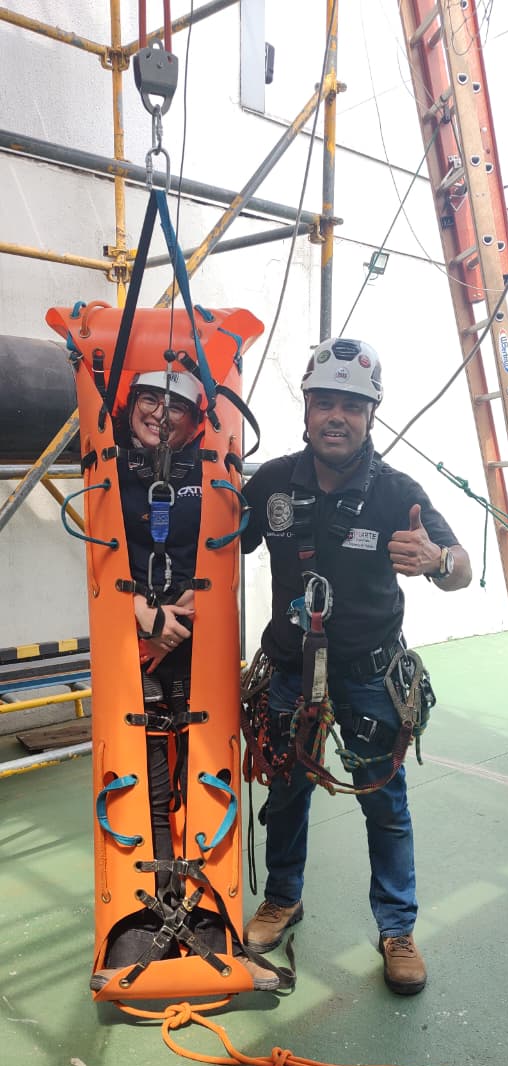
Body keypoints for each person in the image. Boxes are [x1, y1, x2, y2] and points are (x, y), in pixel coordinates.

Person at [241, 337, 472, 995]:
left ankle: (397, 929)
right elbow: (224, 540)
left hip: (370, 675)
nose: (335, 416)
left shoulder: (400, 493)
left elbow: (463, 570)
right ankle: (283, 898)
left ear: (371, 416)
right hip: (291, 668)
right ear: (306, 408)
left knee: (385, 805)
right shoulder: (273, 483)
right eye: (324, 403)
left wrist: (438, 561)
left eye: (351, 406)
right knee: (285, 789)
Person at [93, 369, 279, 991]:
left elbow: (225, 552)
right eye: (150, 399)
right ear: (130, 405)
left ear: (198, 419)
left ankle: (202, 907)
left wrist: (186, 617)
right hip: (136, 642)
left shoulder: (208, 480)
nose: (160, 414)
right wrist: (143, 614)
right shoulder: (108, 474)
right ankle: (150, 904)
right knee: (146, 773)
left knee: (199, 769)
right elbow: (98, 555)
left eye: (177, 406)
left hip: (195, 645)